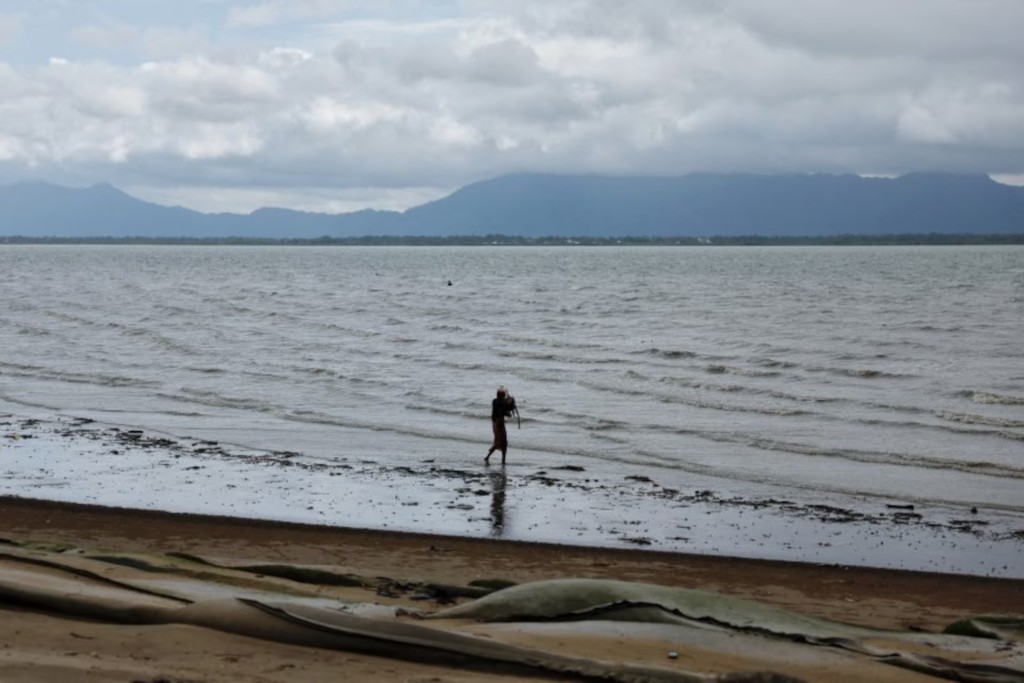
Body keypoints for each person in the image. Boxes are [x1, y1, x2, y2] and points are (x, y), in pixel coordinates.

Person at [485, 386, 516, 465]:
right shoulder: (497, 402)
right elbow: (505, 405)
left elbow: (507, 413)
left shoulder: (496, 401)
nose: (504, 396)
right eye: (503, 395)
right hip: (498, 424)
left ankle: (496, 458)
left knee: (502, 442)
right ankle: (494, 455)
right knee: (500, 442)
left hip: (498, 423)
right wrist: (511, 401)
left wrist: (510, 404)